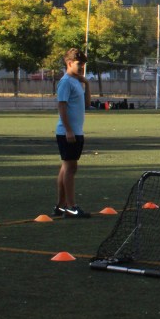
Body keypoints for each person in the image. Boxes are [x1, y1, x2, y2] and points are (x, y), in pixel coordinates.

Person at [53, 48, 91, 218]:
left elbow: (87, 104)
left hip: (76, 131)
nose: (82, 67)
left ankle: (61, 206)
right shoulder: (66, 82)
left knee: (66, 167)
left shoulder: (76, 81)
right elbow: (61, 106)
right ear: (69, 63)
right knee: (70, 168)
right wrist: (68, 129)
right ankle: (71, 207)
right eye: (79, 64)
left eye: (83, 64)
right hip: (68, 132)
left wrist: (87, 84)